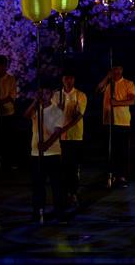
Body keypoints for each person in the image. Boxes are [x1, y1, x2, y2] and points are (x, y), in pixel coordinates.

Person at [24, 78, 69, 223]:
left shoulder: (57, 111)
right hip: (36, 153)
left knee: (57, 185)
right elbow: (25, 116)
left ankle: (59, 213)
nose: (44, 96)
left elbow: (57, 132)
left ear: (51, 95)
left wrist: (47, 144)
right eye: (41, 93)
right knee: (38, 186)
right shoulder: (36, 109)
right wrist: (34, 102)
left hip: (53, 153)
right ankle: (38, 211)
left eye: (46, 93)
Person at [52, 70, 87, 205]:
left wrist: (65, 127)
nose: (68, 81)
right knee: (61, 167)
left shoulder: (80, 95)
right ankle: (63, 192)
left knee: (72, 166)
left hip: (74, 136)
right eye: (66, 78)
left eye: (71, 78)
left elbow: (78, 115)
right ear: (62, 79)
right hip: (59, 137)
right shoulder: (56, 95)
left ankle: (73, 192)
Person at [97, 66, 135, 187]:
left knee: (122, 151)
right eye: (114, 69)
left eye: (119, 69)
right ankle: (111, 174)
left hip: (122, 122)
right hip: (108, 122)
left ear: (122, 70)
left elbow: (132, 101)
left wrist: (117, 103)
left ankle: (122, 176)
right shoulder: (108, 84)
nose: (117, 72)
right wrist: (107, 77)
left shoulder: (128, 83)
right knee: (110, 151)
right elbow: (98, 90)